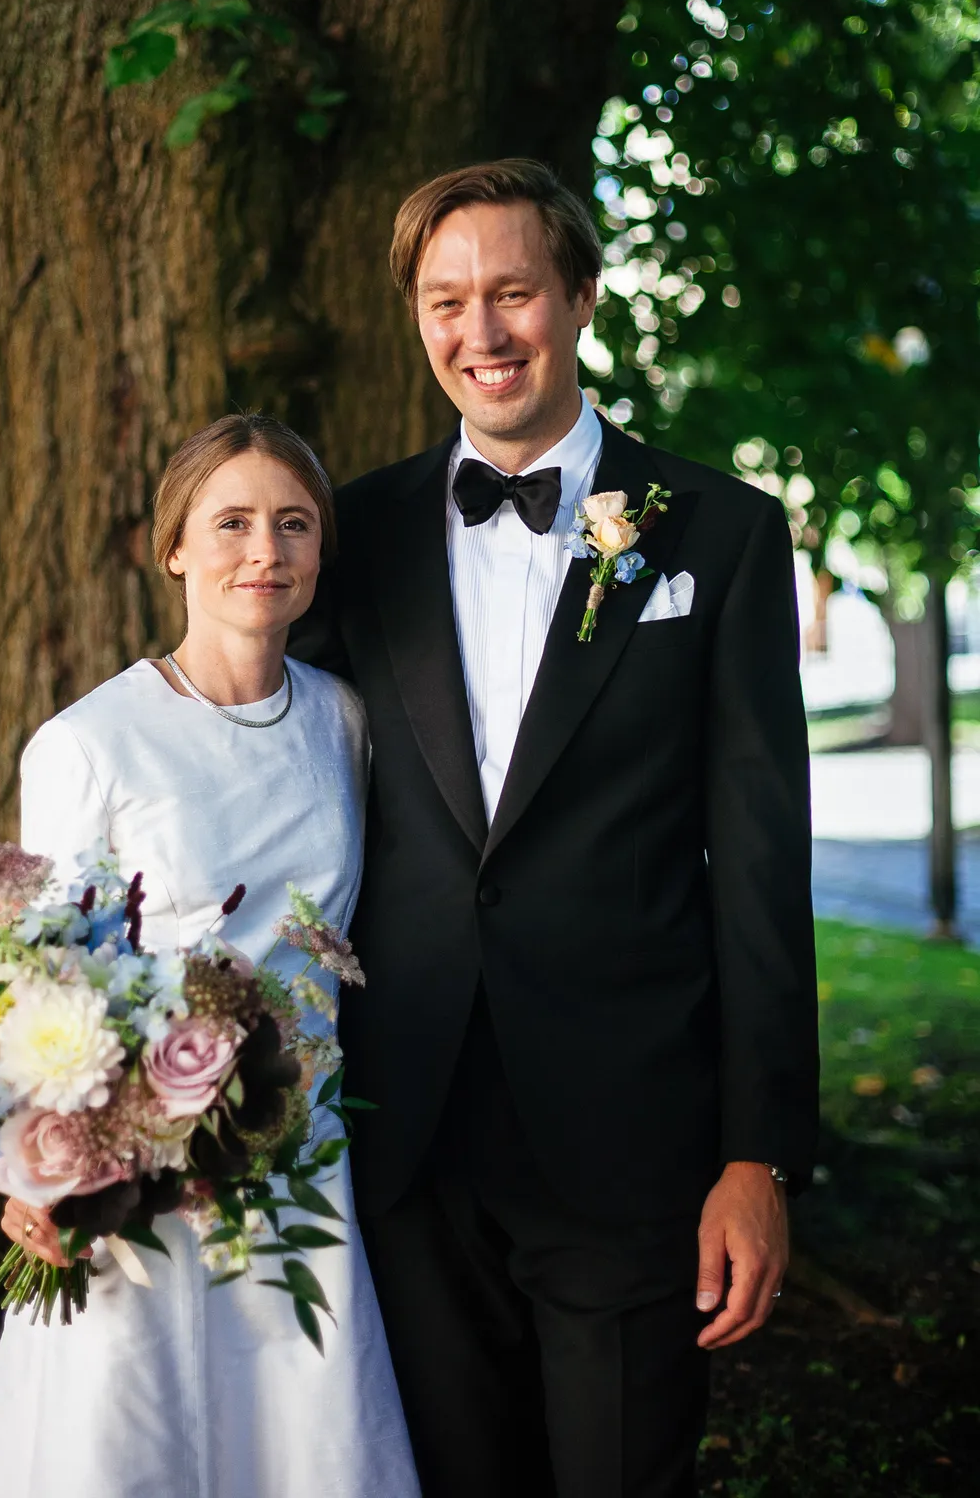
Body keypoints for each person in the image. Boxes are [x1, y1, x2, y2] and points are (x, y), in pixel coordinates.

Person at [290, 158, 820, 1497]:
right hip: (406, 1133)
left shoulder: (727, 536)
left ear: (579, 297)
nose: (482, 332)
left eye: (514, 292)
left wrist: (759, 1152)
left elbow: (761, 862)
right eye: (447, 301)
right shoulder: (353, 535)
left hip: (632, 1139)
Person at [0, 415, 419, 1498]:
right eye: (234, 523)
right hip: (147, 1176)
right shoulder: (88, 743)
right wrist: (37, 1161)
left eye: (294, 524)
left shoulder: (345, 722)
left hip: (306, 1158)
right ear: (175, 547)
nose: (266, 551)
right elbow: (44, 984)